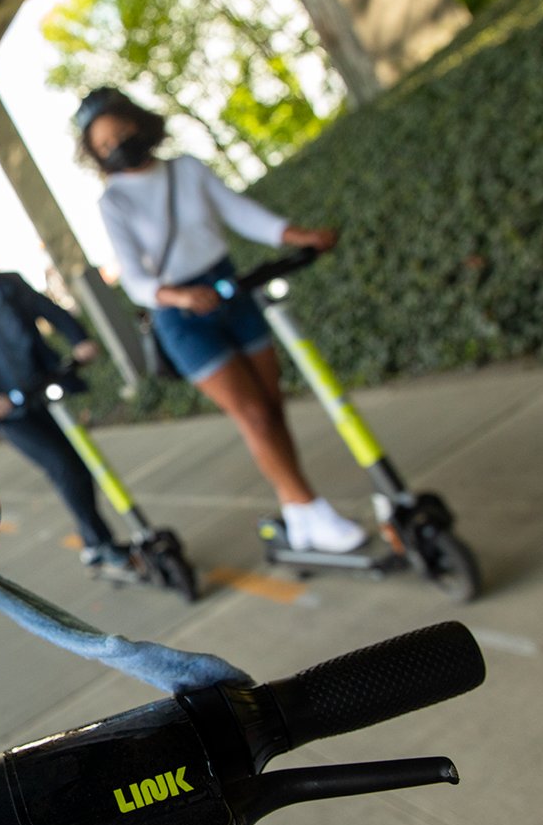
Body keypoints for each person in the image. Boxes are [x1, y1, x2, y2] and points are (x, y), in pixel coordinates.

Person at [75, 87, 366, 554]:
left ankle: (298, 510)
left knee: (272, 407)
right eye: (104, 146)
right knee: (252, 414)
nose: (116, 147)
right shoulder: (115, 204)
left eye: (120, 133)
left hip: (232, 289)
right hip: (181, 315)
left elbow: (240, 213)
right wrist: (181, 296)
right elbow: (134, 279)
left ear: (138, 123)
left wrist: (297, 235)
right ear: (96, 155)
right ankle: (309, 508)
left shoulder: (185, 169)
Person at [0, 225, 131, 570]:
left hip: (42, 389)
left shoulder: (10, 284)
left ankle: (95, 542)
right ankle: (100, 543)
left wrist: (79, 340)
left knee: (81, 466)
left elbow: (51, 311)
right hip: (8, 410)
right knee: (63, 467)